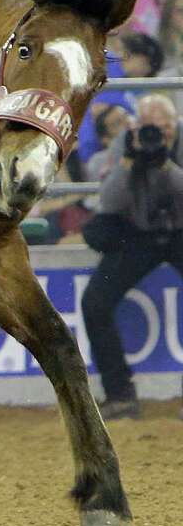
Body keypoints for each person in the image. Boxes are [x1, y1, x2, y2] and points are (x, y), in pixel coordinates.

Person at [81, 94, 183, 421]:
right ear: (138, 125)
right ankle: (120, 395)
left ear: (175, 123)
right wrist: (128, 160)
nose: (159, 134)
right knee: (95, 302)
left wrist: (165, 164)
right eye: (152, 127)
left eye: (166, 127)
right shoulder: (126, 144)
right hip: (139, 235)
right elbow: (108, 203)